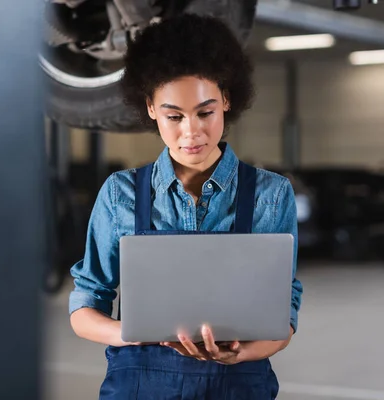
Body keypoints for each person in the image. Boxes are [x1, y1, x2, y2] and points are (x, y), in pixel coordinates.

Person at [68, 13, 303, 399]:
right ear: (150, 108)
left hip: (237, 383)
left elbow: (284, 308)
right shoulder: (119, 193)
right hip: (140, 382)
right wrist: (133, 333)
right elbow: (87, 302)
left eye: (205, 112)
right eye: (173, 116)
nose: (191, 132)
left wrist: (246, 351)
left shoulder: (272, 194)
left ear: (227, 99)